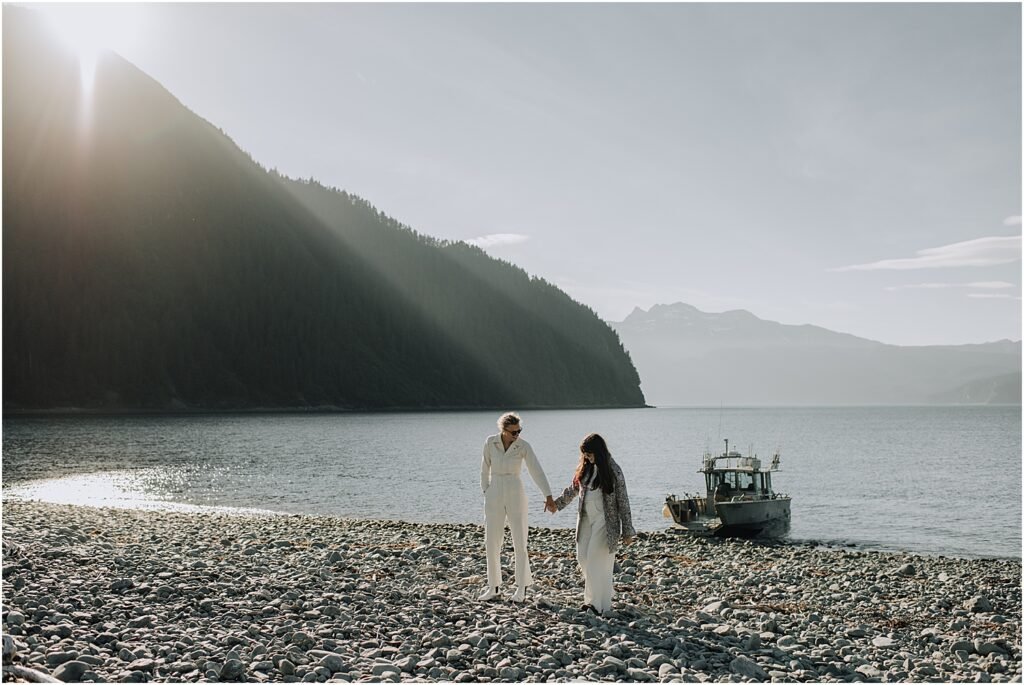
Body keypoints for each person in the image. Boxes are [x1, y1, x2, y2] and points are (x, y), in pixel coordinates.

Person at [548, 433, 635, 616]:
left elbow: (623, 500)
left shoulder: (613, 470)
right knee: (583, 558)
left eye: (589, 454)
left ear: (599, 452)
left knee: (595, 560)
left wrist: (627, 530)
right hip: (585, 519)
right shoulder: (585, 469)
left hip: (605, 521)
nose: (586, 457)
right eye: (584, 454)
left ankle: (594, 604)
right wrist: (556, 504)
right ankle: (601, 593)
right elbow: (573, 489)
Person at [479, 412, 556, 603]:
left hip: (515, 489)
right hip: (495, 490)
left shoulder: (523, 446)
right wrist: (486, 491)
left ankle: (521, 588)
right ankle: (494, 587)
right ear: (503, 430)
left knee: (520, 541)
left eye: (519, 431)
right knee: (492, 541)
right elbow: (484, 468)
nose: (517, 435)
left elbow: (536, 470)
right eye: (513, 432)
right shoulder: (490, 442)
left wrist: (548, 495)